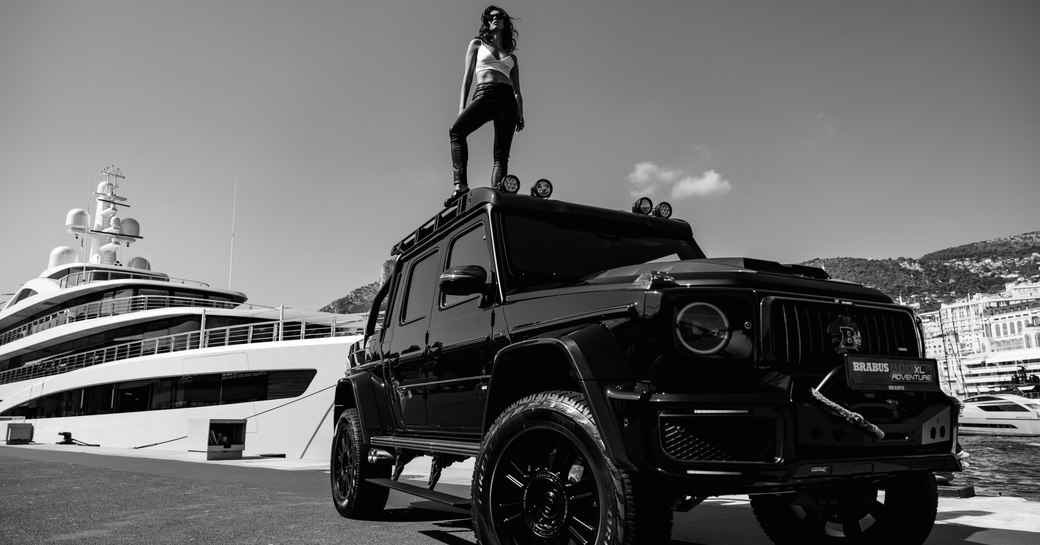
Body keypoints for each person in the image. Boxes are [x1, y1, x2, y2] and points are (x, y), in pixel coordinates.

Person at [445, 5, 525, 207]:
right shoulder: (476, 44)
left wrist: (520, 112)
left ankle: (500, 195)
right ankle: (460, 186)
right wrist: (462, 107)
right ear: (487, 22)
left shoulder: (512, 57)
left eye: (499, 16)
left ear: (505, 23)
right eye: (491, 17)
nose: (495, 19)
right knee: (456, 131)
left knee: (501, 155)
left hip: (508, 101)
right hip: (485, 93)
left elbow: (517, 90)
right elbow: (467, 77)